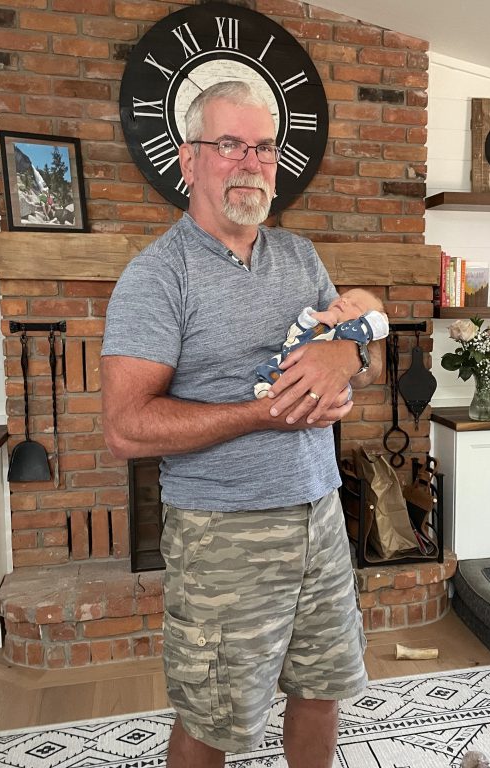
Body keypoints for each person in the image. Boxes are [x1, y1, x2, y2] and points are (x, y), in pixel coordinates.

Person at [100, 80, 382, 768]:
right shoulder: (158, 276)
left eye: (263, 147)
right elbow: (125, 428)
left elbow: (359, 349)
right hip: (221, 532)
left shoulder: (300, 256)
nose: (250, 163)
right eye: (229, 145)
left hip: (319, 512)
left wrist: (347, 358)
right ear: (188, 158)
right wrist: (264, 413)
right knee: (213, 719)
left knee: (322, 688)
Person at [253, 288, 389, 399]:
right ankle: (267, 383)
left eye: (356, 305)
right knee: (276, 365)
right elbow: (294, 333)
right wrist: (313, 318)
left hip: (318, 385)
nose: (344, 300)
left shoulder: (352, 335)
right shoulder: (320, 322)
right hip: (289, 358)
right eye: (343, 297)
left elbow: (379, 323)